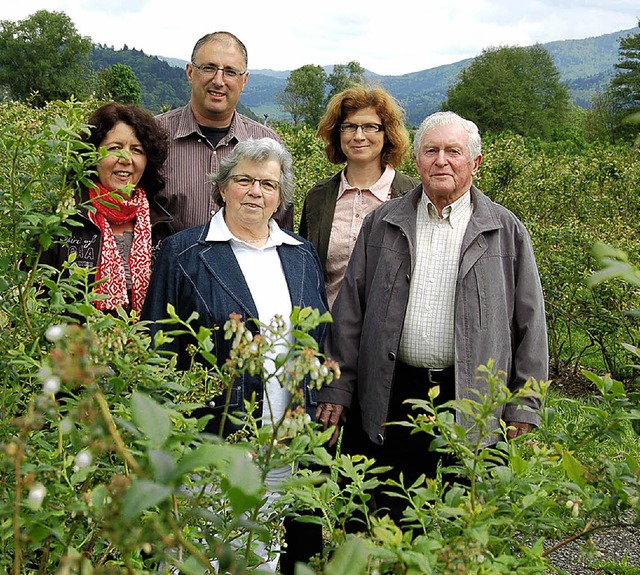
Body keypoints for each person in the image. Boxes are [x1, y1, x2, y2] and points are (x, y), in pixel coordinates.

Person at [316, 111, 549, 523]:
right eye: (431, 151)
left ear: (474, 163)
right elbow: (350, 313)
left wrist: (525, 404)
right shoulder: (383, 223)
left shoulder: (505, 230)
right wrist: (336, 388)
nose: (441, 160)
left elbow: (530, 324)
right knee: (384, 516)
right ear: (417, 160)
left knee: (462, 523)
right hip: (392, 392)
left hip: (472, 397)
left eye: (453, 151)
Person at [140, 137, 327, 573]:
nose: (255, 192)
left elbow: (318, 341)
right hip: (210, 439)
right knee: (194, 556)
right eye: (244, 180)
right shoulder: (184, 253)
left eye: (267, 183)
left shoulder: (300, 256)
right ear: (222, 187)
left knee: (259, 557)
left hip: (282, 441)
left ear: (281, 196)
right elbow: (156, 347)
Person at [155, 31, 294, 234]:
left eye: (230, 72)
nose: (218, 81)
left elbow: (281, 227)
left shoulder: (269, 144)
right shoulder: (154, 137)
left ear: (244, 80)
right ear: (190, 72)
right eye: (209, 68)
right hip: (165, 265)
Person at [40, 102, 171, 314]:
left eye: (136, 150)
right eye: (114, 148)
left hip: (145, 345)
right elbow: (35, 295)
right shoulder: (61, 220)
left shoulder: (162, 226)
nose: (125, 159)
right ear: (93, 155)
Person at [299, 85, 418, 308]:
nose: (359, 136)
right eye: (350, 127)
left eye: (371, 127)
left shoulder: (413, 196)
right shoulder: (318, 198)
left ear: (387, 134)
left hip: (392, 336)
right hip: (328, 334)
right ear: (338, 133)